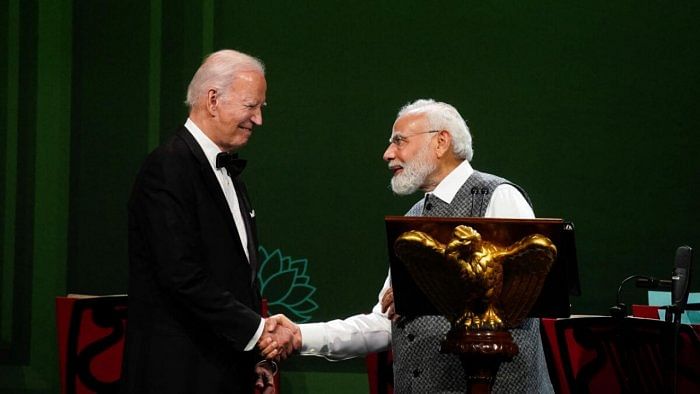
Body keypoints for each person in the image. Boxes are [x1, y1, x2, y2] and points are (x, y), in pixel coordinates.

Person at [268, 99, 553, 392]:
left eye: (399, 141)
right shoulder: (413, 219)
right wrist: (300, 335)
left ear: (441, 142)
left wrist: (420, 293)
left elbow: (526, 301)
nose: (388, 153)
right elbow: (383, 323)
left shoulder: (497, 196)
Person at [122, 49, 296, 394]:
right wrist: (260, 333)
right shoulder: (168, 167)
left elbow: (235, 279)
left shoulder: (227, 169)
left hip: (220, 370)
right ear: (212, 100)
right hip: (177, 374)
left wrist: (255, 360)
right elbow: (180, 275)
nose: (258, 119)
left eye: (262, 107)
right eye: (251, 106)